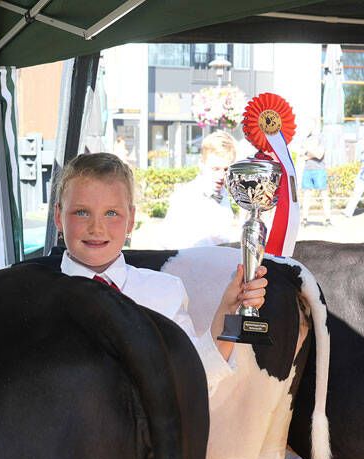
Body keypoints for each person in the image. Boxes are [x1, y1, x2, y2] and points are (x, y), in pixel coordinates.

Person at [54, 152, 267, 393]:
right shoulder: (36, 297)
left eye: (111, 213)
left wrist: (229, 310)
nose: (96, 227)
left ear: (131, 219)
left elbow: (196, 376)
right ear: (58, 217)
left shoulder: (165, 292)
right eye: (82, 212)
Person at [160, 131, 238, 248]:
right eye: (215, 169)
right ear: (201, 163)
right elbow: (168, 245)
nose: (221, 175)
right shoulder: (184, 197)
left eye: (226, 169)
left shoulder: (224, 195)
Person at [300, 131, 331, 226]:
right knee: (306, 195)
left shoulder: (321, 137)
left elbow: (319, 155)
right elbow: (301, 155)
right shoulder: (305, 138)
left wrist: (308, 151)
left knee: (324, 195)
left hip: (319, 170)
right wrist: (313, 151)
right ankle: (304, 219)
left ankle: (327, 219)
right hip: (307, 170)